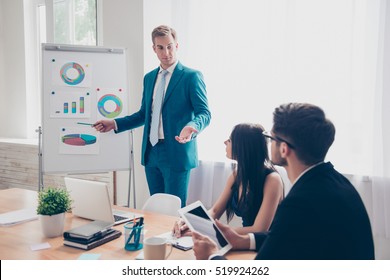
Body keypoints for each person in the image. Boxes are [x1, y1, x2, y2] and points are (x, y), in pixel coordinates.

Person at [192, 103, 375, 260]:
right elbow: (288, 237)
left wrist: (212, 255)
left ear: (284, 149)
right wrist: (245, 240)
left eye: (271, 139)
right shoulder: (338, 184)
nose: (268, 144)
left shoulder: (300, 203)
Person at [94, 25, 211, 207]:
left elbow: (205, 112)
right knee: (156, 212)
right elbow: (144, 114)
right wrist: (115, 123)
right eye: (161, 47)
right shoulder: (149, 78)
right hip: (151, 152)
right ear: (154, 49)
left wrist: (192, 127)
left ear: (177, 46)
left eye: (170, 46)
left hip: (177, 152)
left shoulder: (191, 77)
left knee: (174, 213)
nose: (167, 52)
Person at [174, 123, 283, 236]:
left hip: (268, 245)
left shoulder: (272, 180)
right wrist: (190, 221)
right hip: (245, 241)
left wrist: (210, 230)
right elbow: (215, 211)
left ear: (243, 147)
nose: (225, 142)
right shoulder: (237, 175)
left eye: (230, 140)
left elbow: (259, 229)